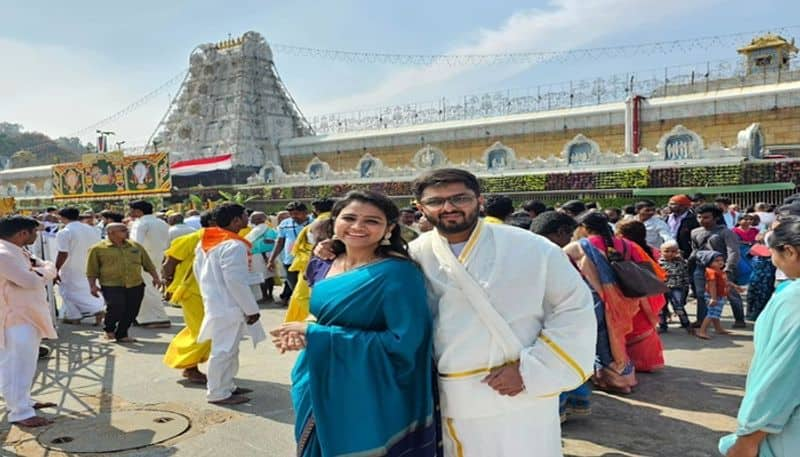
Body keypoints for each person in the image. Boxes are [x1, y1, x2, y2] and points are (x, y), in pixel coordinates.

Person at [409, 169, 595, 456]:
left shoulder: (532, 247)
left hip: (521, 390)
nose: (448, 207)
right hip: (451, 396)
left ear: (479, 200)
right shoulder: (413, 254)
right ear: (420, 208)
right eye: (436, 201)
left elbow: (573, 308)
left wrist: (531, 370)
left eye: (460, 198)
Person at [273, 191, 437, 457]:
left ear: (389, 228)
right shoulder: (324, 262)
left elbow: (407, 342)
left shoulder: (399, 273)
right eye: (349, 218)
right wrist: (305, 330)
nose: (358, 227)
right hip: (316, 371)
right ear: (334, 222)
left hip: (364, 388)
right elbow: (327, 313)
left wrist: (317, 334)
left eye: (372, 221)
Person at [719, 215, 800, 457]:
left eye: (772, 252)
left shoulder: (794, 299)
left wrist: (749, 436)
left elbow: (781, 374)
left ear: (789, 251)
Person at [531, 211, 608, 423]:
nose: (571, 239)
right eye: (570, 234)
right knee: (559, 365)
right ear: (560, 232)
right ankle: (568, 407)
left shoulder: (535, 252)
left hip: (547, 321)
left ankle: (559, 411)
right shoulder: (552, 254)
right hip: (556, 320)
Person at [564, 212, 654, 393]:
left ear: (584, 228)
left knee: (602, 339)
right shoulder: (627, 244)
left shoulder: (580, 246)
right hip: (626, 300)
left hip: (598, 299)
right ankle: (625, 375)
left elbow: (557, 261)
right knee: (617, 339)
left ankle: (616, 381)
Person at [194, 203, 262, 405]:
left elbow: (199, 273)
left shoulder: (207, 241)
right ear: (235, 221)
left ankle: (227, 385)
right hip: (229, 305)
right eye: (244, 216)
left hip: (218, 302)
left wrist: (210, 295)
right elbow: (235, 281)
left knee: (229, 349)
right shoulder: (234, 245)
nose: (247, 220)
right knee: (224, 350)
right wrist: (251, 309)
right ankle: (217, 392)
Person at [0, 216, 58, 427]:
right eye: (34, 232)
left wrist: (40, 271)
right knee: (16, 365)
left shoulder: (18, 251)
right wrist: (43, 272)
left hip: (27, 315)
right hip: (15, 318)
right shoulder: (4, 254)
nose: (36, 236)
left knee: (24, 363)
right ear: (22, 233)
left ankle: (23, 401)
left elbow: (44, 268)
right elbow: (30, 280)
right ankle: (20, 412)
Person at [87, 223, 161, 343]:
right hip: (111, 284)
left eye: (127, 230)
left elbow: (148, 264)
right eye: (123, 230)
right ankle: (109, 330)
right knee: (116, 307)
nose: (127, 232)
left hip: (135, 283)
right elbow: (92, 269)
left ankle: (122, 334)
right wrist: (92, 285)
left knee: (132, 310)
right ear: (111, 233)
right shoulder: (97, 249)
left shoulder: (135, 246)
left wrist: (156, 278)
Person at [162, 212, 214, 385]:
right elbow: (169, 265)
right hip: (192, 291)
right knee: (202, 330)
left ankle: (190, 363)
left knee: (201, 329)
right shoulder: (191, 239)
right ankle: (189, 366)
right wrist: (168, 286)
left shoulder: (223, 239)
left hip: (210, 291)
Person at [613, 219, 667, 372]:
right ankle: (646, 363)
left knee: (633, 329)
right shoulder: (648, 249)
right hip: (651, 293)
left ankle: (633, 363)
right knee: (645, 329)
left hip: (636, 295)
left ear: (622, 234)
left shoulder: (628, 249)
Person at [690, 204, 746, 328]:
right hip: (701, 267)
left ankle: (739, 319)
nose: (701, 220)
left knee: (730, 293)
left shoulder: (725, 232)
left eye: (706, 217)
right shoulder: (695, 232)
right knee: (700, 294)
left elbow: (733, 251)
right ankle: (701, 320)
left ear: (715, 218)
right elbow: (694, 250)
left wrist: (728, 268)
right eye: (699, 217)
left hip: (722, 268)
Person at [54, 207, 105, 326]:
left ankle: (96, 309)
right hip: (90, 264)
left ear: (63, 218)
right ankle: (74, 316)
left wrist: (56, 269)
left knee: (67, 292)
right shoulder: (93, 230)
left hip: (71, 266)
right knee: (87, 289)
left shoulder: (65, 232)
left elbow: (63, 252)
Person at [284, 199, 333, 321]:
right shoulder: (337, 221)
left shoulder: (319, 223)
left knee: (303, 296)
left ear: (315, 210)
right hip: (329, 263)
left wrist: (308, 269)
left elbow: (318, 247)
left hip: (315, 263)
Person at [129, 200, 171, 328]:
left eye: (131, 209)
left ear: (138, 211)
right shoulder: (162, 223)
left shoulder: (141, 223)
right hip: (158, 256)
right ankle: (146, 316)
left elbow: (136, 244)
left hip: (143, 258)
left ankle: (155, 317)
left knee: (146, 287)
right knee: (152, 285)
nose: (130, 212)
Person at [267, 201, 312, 305]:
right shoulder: (285, 224)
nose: (293, 216)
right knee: (295, 288)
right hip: (290, 262)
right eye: (291, 214)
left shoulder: (314, 223)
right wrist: (271, 260)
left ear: (305, 212)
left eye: (296, 213)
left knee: (310, 287)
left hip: (309, 261)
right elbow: (280, 242)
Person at [695, 250, 739, 340]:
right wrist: (713, 298)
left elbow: (725, 281)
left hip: (719, 295)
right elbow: (712, 286)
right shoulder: (711, 272)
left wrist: (735, 286)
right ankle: (702, 331)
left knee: (716, 314)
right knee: (711, 314)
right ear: (709, 262)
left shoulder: (719, 271)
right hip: (714, 296)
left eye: (721, 260)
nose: (720, 262)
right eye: (716, 260)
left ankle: (718, 329)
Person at [658, 240, 692, 333]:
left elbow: (685, 275)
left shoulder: (682, 262)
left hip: (677, 287)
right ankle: (662, 326)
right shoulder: (658, 263)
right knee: (661, 308)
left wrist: (686, 288)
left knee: (679, 306)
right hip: (662, 288)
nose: (670, 254)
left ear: (677, 252)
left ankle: (686, 324)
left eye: (673, 251)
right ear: (660, 252)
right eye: (667, 251)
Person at [244, 212, 275, 304]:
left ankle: (265, 296)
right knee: (269, 276)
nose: (250, 220)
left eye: (252, 218)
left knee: (262, 277)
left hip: (260, 254)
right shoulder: (268, 229)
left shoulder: (260, 229)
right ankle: (269, 296)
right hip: (267, 254)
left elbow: (270, 241)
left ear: (258, 219)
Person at [666, 194, 699, 259]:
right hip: (668, 252)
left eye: (673, 204)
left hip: (686, 255)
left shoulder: (693, 219)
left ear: (683, 206)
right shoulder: (667, 218)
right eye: (669, 204)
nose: (669, 206)